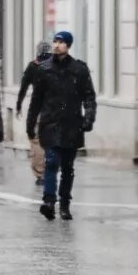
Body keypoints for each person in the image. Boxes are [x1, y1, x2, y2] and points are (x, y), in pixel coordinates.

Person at [26, 30, 97, 220]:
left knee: (67, 167)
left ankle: (65, 203)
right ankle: (49, 201)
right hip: (50, 123)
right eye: (55, 41)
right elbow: (36, 99)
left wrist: (89, 118)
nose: (57, 45)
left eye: (61, 42)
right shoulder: (44, 69)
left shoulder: (79, 70)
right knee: (51, 162)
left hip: (72, 124)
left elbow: (89, 96)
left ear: (68, 45)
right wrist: (31, 121)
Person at [17, 41, 52, 186]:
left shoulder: (33, 67)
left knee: (36, 141)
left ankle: (41, 173)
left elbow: (24, 87)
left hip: (38, 110)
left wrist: (18, 104)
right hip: (54, 110)